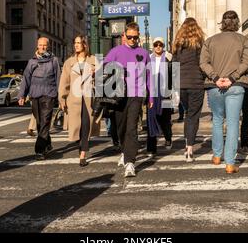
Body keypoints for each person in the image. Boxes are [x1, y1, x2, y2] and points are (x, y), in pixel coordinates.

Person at [200, 11, 248, 174]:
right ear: (236, 23)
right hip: (236, 85)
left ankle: (216, 156)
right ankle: (230, 163)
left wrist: (216, 78)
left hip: (214, 85)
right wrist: (232, 78)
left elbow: (203, 63)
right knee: (233, 122)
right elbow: (247, 63)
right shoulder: (244, 40)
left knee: (217, 120)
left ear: (222, 23)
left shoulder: (210, 41)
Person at [104, 22, 153, 178]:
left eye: (135, 37)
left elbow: (149, 76)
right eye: (130, 37)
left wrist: (150, 95)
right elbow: (104, 67)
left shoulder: (144, 53)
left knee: (131, 127)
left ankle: (130, 162)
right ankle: (125, 152)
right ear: (124, 36)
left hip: (136, 94)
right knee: (121, 128)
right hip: (118, 94)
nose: (132, 40)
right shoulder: (115, 51)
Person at [58, 35, 100, 167]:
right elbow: (64, 82)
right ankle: (80, 145)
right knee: (76, 127)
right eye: (75, 43)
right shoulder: (68, 62)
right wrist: (62, 99)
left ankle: (83, 154)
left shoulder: (94, 60)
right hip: (73, 100)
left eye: (78, 43)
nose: (76, 45)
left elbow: (103, 79)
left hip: (89, 100)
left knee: (86, 126)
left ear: (85, 45)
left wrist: (96, 73)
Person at [18, 37, 61, 160]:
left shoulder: (54, 61)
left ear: (48, 46)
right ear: (37, 46)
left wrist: (61, 97)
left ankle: (39, 150)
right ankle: (47, 143)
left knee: (45, 121)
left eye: (44, 45)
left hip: (49, 94)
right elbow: (26, 79)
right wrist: (22, 95)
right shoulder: (32, 61)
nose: (42, 47)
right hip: (35, 95)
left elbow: (58, 78)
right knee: (39, 123)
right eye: (40, 45)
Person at [173, 18, 205, 162]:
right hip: (196, 83)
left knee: (187, 114)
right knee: (193, 115)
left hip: (181, 84)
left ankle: (187, 144)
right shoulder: (199, 44)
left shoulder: (177, 45)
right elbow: (203, 63)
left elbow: (173, 65)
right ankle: (190, 148)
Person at [147, 37, 173, 157]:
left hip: (166, 92)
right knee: (152, 119)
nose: (158, 47)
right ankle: (151, 147)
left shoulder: (169, 58)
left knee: (165, 118)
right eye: (156, 44)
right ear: (153, 46)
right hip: (152, 93)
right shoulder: (148, 58)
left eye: (160, 45)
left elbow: (174, 76)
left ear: (163, 46)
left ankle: (168, 138)